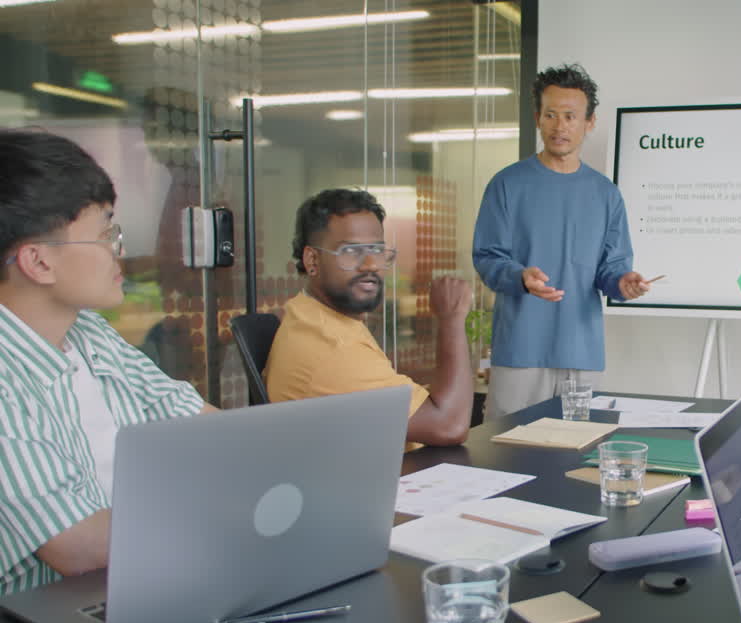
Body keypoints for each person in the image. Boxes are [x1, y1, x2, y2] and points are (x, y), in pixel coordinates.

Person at [0, 129, 214, 596]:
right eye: (105, 236)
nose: (120, 251)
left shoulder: (88, 333)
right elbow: (79, 545)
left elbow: (203, 426)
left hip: (142, 577)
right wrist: (234, 512)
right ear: (38, 262)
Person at [473, 63, 651, 421]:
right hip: (520, 349)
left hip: (581, 353)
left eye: (570, 116)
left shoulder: (606, 195)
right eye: (551, 114)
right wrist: (521, 276)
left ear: (589, 122)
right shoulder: (507, 184)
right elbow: (488, 256)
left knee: (574, 454)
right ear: (538, 117)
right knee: (506, 454)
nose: (560, 125)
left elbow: (611, 268)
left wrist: (623, 282)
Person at [265, 189, 473, 448]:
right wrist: (451, 317)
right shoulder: (334, 347)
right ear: (312, 259)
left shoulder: (309, 314)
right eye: (352, 251)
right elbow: (449, 426)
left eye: (376, 249)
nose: (371, 265)